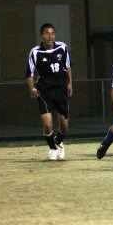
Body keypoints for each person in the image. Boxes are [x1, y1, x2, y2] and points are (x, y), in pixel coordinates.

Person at [26, 23, 73, 160]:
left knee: (64, 127)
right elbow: (29, 73)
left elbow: (68, 66)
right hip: (44, 92)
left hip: (61, 90)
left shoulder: (62, 47)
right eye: (46, 33)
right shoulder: (35, 52)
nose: (50, 36)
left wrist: (70, 83)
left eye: (52, 33)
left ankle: (57, 143)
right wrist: (32, 88)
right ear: (41, 36)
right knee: (47, 124)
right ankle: (53, 148)